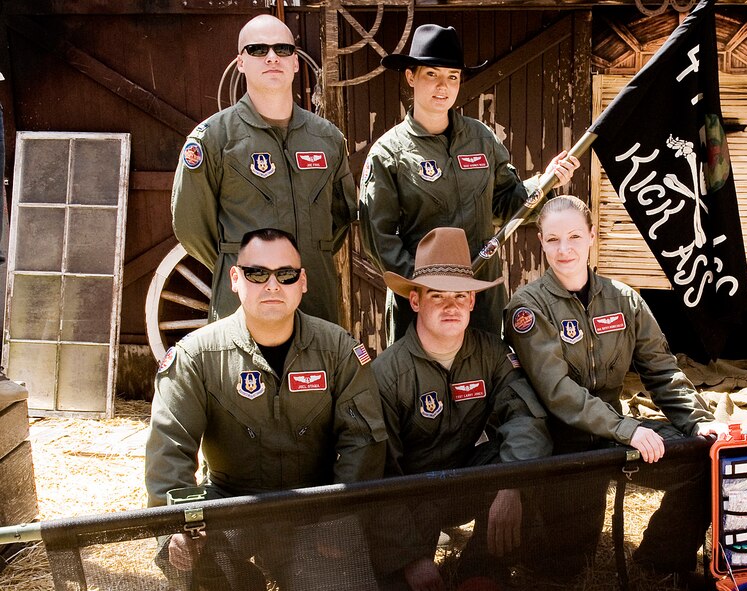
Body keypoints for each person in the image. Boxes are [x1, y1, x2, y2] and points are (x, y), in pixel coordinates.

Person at [504, 196, 728, 586]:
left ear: (592, 236)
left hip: (613, 433)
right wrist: (628, 430)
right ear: (540, 241)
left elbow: (661, 371)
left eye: (574, 236)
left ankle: (661, 558)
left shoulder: (625, 300)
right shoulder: (528, 307)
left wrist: (698, 421)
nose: (565, 249)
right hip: (562, 443)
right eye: (553, 239)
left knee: (704, 460)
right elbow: (557, 391)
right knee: (565, 569)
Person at [145, 227, 387, 590]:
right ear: (235, 279)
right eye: (257, 273)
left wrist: (339, 516)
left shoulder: (339, 350)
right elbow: (170, 450)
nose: (272, 285)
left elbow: (363, 441)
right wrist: (179, 526)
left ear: (302, 282)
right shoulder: (196, 356)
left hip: (315, 505)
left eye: (285, 274)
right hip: (231, 501)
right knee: (188, 563)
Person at [359, 24, 580, 344]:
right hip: (421, 303)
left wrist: (547, 181)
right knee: (418, 387)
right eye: (432, 74)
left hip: (480, 295)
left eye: (452, 77)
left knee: (483, 384)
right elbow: (378, 238)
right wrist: (425, 285)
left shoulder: (481, 140)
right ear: (410, 76)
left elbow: (507, 204)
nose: (442, 87)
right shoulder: (389, 154)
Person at [371, 227, 552, 591]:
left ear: (472, 302)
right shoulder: (386, 375)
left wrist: (510, 485)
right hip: (407, 499)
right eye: (438, 296)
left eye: (460, 296)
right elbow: (374, 475)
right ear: (416, 302)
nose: (451, 306)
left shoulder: (491, 354)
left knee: (523, 464)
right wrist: (411, 558)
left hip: (465, 479)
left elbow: (524, 416)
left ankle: (481, 569)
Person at [172, 14, 356, 325]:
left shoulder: (327, 139)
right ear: (241, 62)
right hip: (244, 305)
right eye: (258, 49)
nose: (272, 57)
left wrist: (306, 254)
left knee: (317, 372)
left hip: (316, 300)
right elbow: (192, 227)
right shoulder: (215, 138)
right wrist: (246, 266)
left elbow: (339, 219)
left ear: (295, 62)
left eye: (282, 49)